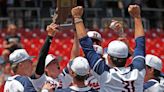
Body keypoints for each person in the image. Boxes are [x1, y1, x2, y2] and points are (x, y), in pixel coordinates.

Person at [72, 4, 145, 92]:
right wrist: (137, 17)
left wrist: (77, 18)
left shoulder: (105, 74)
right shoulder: (138, 71)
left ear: (108, 58)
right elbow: (140, 44)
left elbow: (86, 45)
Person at [4, 23, 58, 92]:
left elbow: (41, 59)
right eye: (29, 61)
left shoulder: (8, 82)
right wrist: (45, 90)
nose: (32, 63)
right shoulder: (23, 81)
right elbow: (41, 58)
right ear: (21, 65)